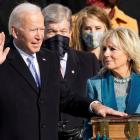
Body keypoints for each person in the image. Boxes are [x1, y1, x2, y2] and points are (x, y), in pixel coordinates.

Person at [0, 2, 127, 140]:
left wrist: (94, 106)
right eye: (33, 30)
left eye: (41, 29)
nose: (39, 36)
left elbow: (63, 95)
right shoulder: (3, 59)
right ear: (15, 32)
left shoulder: (48, 58)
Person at [42, 3, 100, 140]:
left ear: (70, 32)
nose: (58, 36)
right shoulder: (35, 62)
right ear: (42, 31)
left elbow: (96, 96)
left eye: (63, 31)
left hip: (80, 134)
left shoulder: (88, 60)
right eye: (52, 31)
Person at [84, 27, 140, 140]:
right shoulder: (95, 83)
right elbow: (88, 127)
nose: (106, 54)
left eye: (112, 49)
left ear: (129, 54)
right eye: (104, 49)